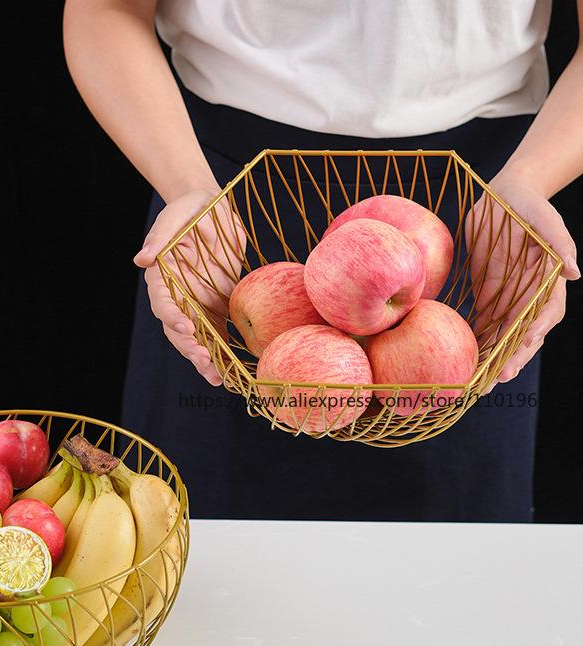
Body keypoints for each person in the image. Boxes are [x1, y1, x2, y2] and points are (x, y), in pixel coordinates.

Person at [63, 0, 581, 521]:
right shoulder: (212, 219)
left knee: (461, 570)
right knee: (202, 558)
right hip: (221, 207)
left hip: (478, 220)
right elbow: (105, 10)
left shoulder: (482, 240)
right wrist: (185, 184)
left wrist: (530, 180)